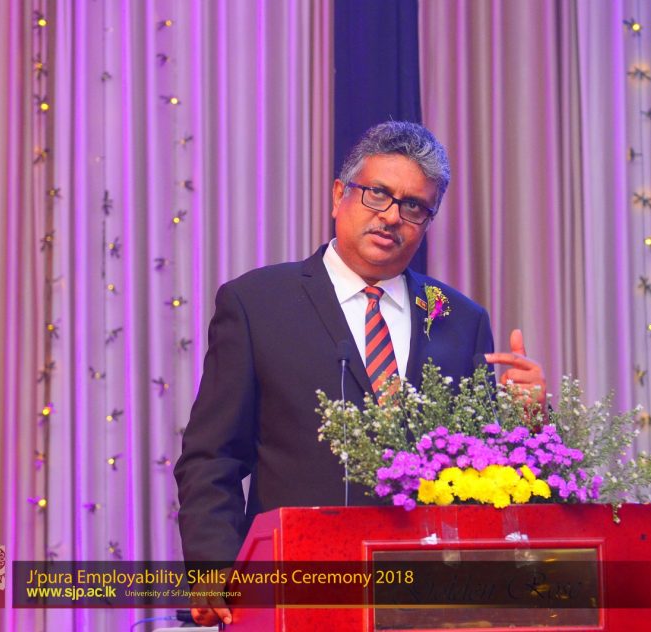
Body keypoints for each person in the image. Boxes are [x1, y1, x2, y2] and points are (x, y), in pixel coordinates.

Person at [174, 121, 545, 626]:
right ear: (338, 195)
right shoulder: (257, 303)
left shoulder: (459, 319)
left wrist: (528, 422)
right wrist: (215, 565)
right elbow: (212, 456)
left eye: (413, 206)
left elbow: (484, 474)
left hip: (428, 603)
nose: (391, 216)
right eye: (378, 194)